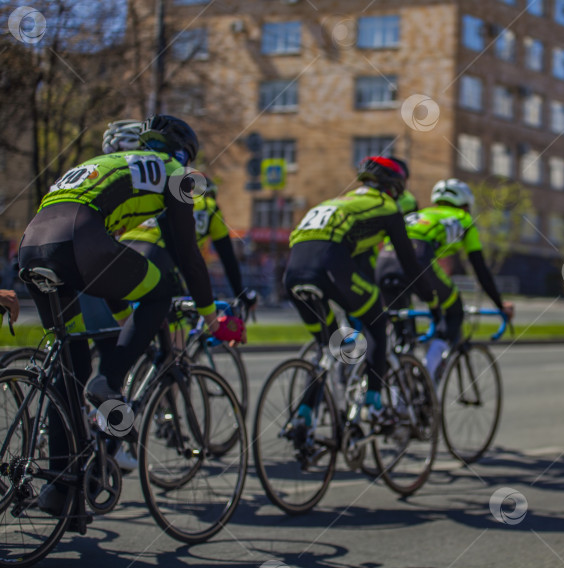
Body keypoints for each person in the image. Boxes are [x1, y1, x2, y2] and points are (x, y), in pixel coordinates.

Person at [17, 114, 228, 515]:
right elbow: (187, 254)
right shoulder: (175, 173)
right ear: (184, 155)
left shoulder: (110, 164)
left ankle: (62, 490)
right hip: (81, 241)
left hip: (32, 244)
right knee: (161, 291)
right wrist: (207, 310)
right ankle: (109, 382)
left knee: (70, 367)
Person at [284, 156, 439, 429]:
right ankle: (373, 404)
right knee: (377, 324)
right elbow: (408, 261)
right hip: (329, 266)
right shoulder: (387, 206)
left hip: (293, 273)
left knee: (327, 347)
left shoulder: (337, 201)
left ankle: (304, 416)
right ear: (395, 186)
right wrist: (430, 298)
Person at [107, 120, 257, 313]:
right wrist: (239, 293)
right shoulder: (205, 203)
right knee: (170, 310)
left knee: (127, 317)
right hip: (160, 253)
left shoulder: (151, 187)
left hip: (121, 249)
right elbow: (226, 257)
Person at [375, 178, 514, 378]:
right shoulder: (464, 220)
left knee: (403, 332)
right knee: (454, 309)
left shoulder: (418, 214)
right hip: (417, 260)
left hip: (385, 261)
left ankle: (402, 390)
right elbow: (480, 268)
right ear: (466, 204)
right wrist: (500, 304)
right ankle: (428, 373)